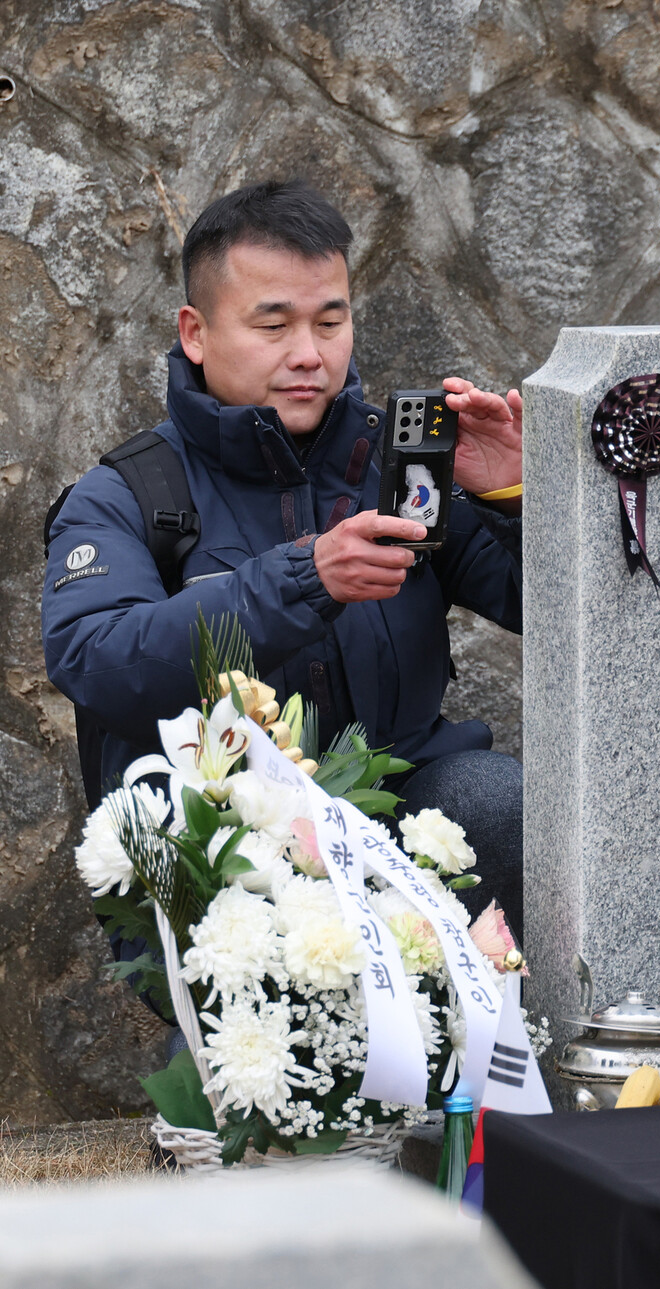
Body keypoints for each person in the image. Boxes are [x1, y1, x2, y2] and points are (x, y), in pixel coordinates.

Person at [42, 179, 524, 938]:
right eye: (273, 325)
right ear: (195, 333)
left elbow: (557, 613)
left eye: (330, 322)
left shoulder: (399, 471)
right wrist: (303, 578)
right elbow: (96, 657)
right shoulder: (126, 493)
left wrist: (514, 500)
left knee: (498, 801)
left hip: (406, 810)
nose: (309, 355)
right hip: (227, 841)